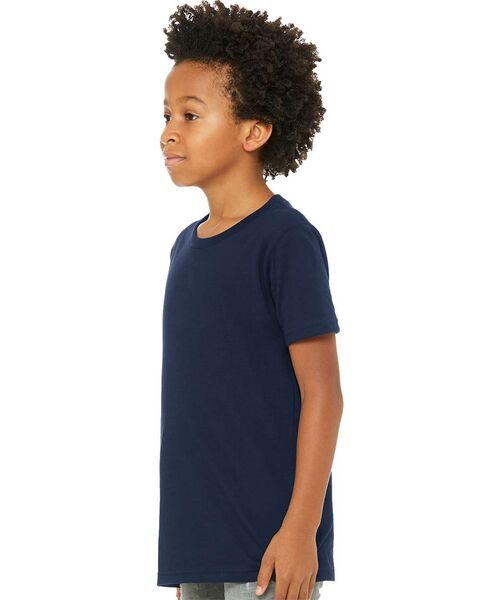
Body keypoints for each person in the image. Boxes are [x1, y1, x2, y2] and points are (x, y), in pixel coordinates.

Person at [157, 2, 344, 599]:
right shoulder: (185, 248)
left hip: (270, 551)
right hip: (199, 546)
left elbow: (324, 393)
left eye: (191, 115)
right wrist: (188, 552)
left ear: (253, 132)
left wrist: (301, 530)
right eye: (166, 114)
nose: (168, 131)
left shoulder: (285, 241)